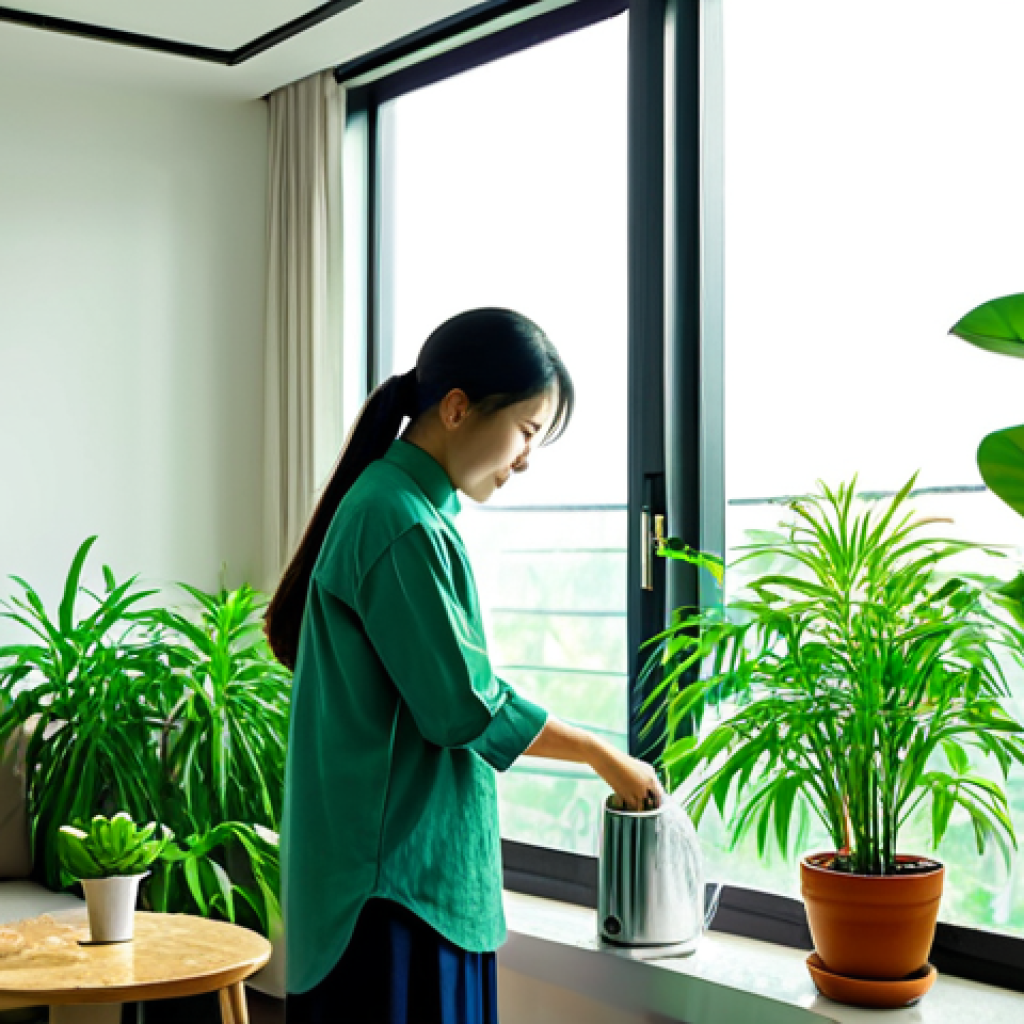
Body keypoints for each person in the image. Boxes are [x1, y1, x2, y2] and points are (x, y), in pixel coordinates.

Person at [266, 308, 664, 1024]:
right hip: (392, 891)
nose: (526, 458)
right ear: (456, 409)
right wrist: (606, 757)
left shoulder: (406, 507)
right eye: (527, 431)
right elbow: (464, 709)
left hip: (395, 882)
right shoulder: (401, 519)